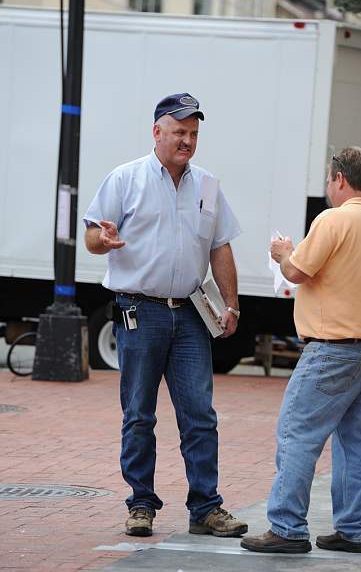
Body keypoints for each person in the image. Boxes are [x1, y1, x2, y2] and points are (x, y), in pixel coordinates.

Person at [84, 92, 248, 538]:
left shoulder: (208, 185)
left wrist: (230, 304)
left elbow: (220, 246)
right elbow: (92, 238)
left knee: (200, 414)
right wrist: (105, 239)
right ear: (157, 131)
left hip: (192, 314)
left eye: (193, 133)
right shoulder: (125, 178)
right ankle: (141, 504)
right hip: (140, 310)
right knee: (139, 413)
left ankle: (206, 507)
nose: (187, 141)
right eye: (179, 132)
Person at [241, 146, 361, 555]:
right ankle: (353, 531)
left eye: (329, 180)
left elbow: (296, 271)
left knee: (297, 434)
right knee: (359, 442)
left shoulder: (333, 219)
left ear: (340, 179)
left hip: (331, 348)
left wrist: (283, 253)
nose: (328, 188)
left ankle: (288, 528)